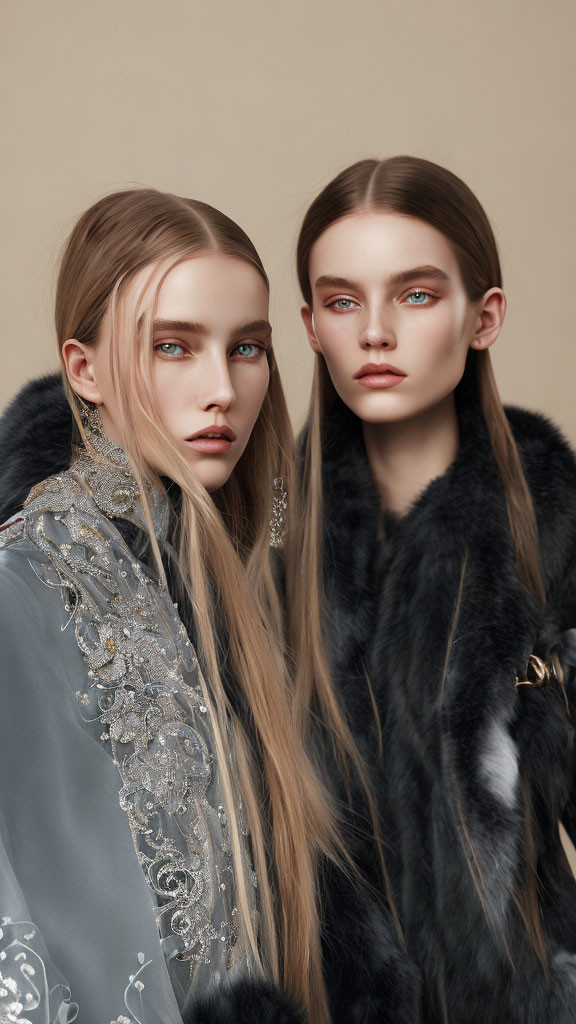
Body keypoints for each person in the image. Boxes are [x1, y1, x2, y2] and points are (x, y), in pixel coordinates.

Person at [0, 188, 341, 1024]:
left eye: (248, 348)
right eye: (174, 347)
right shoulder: (24, 587)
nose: (221, 388)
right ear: (84, 369)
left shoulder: (251, 588)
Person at [289, 155, 576, 1022]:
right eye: (343, 301)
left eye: (415, 294)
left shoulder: (555, 532)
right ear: (310, 326)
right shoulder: (252, 540)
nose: (375, 332)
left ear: (483, 316)